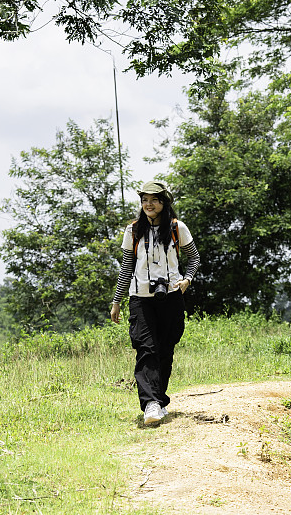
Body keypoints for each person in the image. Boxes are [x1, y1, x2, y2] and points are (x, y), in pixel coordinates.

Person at [110, 180, 200, 424]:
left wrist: (187, 280)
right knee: (146, 348)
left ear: (164, 202)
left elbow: (194, 258)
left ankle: (159, 400)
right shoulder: (134, 230)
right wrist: (117, 301)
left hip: (171, 296)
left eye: (154, 200)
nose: (149, 204)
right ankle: (150, 404)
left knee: (165, 349)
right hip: (140, 298)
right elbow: (126, 267)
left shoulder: (177, 228)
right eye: (144, 200)